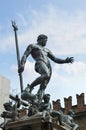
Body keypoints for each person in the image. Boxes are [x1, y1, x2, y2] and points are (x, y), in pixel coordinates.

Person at [19, 34, 74, 102]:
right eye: (45, 40)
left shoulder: (46, 50)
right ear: (40, 39)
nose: (46, 42)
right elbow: (25, 55)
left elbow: (55, 59)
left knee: (43, 86)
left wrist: (65, 61)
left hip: (48, 66)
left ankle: (38, 101)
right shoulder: (33, 46)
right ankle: (29, 87)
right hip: (40, 62)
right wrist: (22, 65)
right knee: (45, 75)